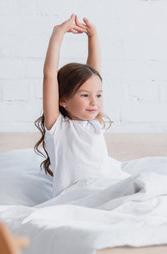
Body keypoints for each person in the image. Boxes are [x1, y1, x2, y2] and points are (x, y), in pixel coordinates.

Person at [34, 14, 118, 196]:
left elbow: (94, 73)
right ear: (62, 100)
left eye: (98, 95)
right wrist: (58, 34)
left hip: (103, 192)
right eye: (85, 95)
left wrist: (93, 36)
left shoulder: (95, 123)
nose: (94, 102)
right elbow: (49, 76)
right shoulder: (59, 128)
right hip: (74, 198)